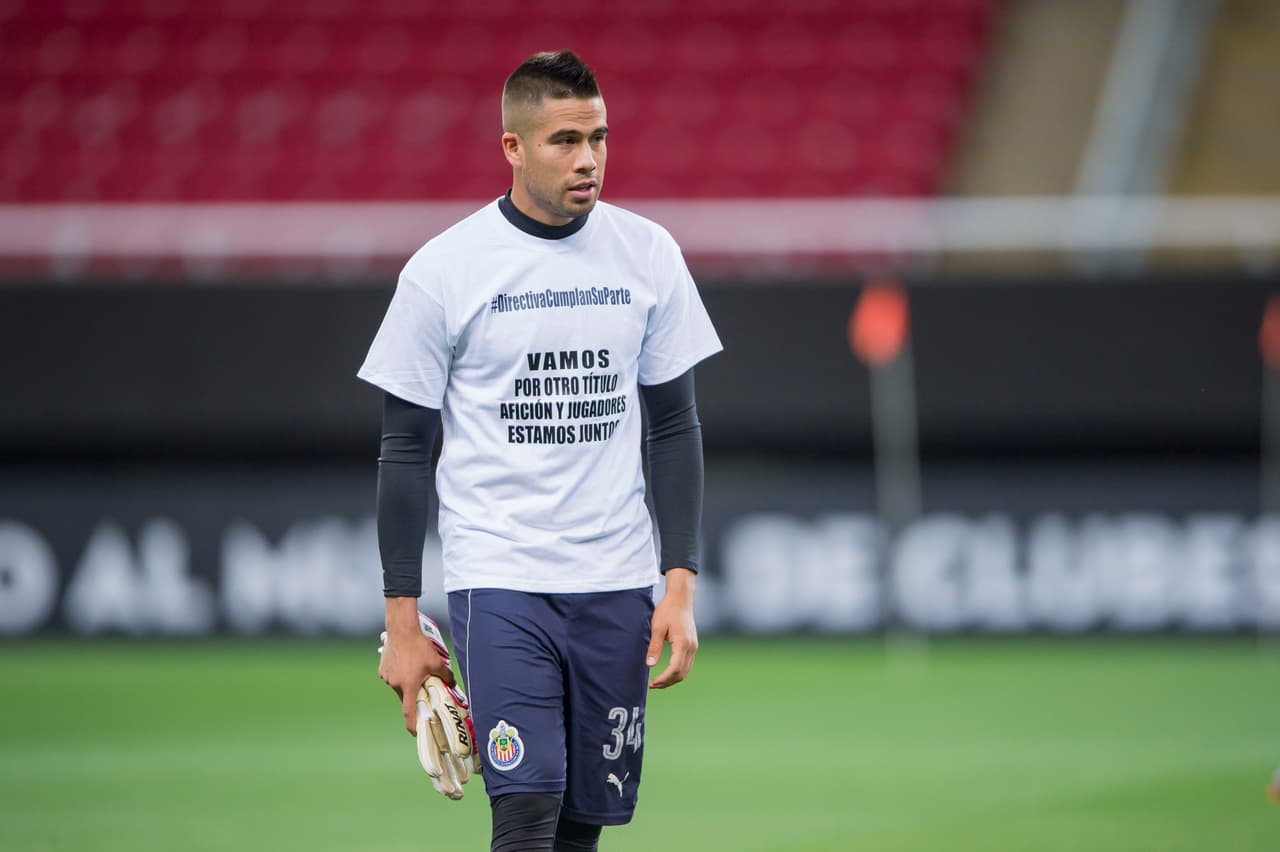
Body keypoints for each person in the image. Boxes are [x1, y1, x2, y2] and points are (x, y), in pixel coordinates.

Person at [358, 50, 722, 851]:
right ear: (513, 148)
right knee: (525, 811)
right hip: (501, 576)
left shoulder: (649, 254)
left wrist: (680, 585)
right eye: (565, 140)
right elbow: (405, 449)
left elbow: (674, 427)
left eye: (598, 137)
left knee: (581, 827)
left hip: (617, 582)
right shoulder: (443, 271)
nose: (588, 158)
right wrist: (403, 624)